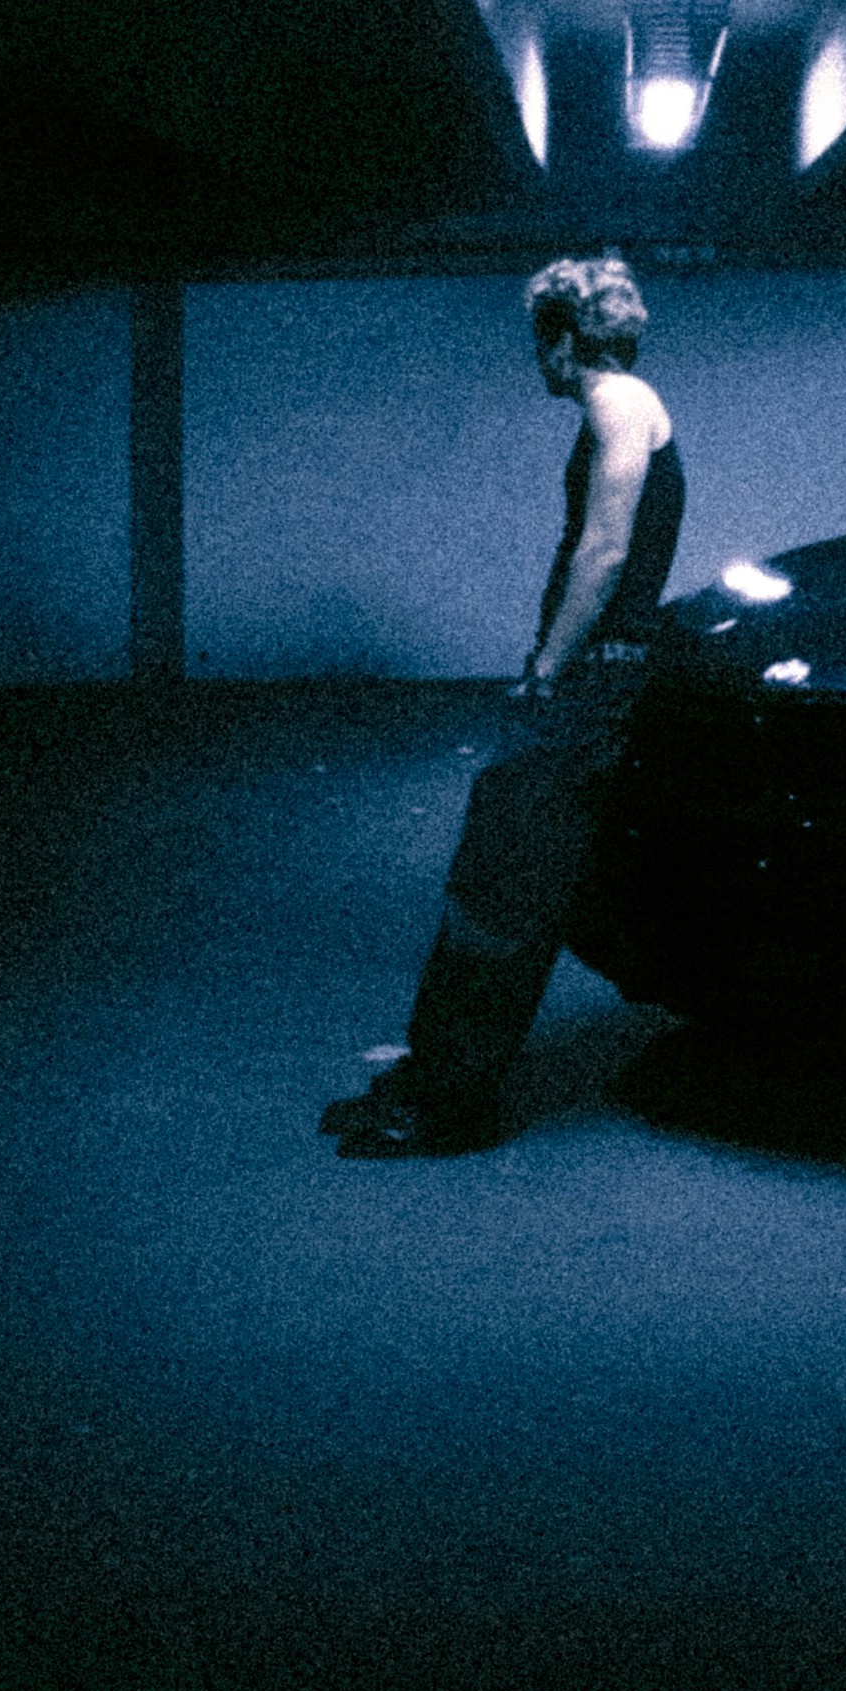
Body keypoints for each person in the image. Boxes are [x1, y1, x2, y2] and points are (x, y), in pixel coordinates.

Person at [322, 253, 684, 1157]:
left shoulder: (618, 404)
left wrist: (548, 667)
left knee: (504, 885)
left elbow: (602, 552)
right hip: (599, 672)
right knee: (506, 862)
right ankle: (435, 1076)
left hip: (598, 674)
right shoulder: (626, 407)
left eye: (540, 341)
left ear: (564, 339)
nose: (537, 361)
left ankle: (448, 1103)